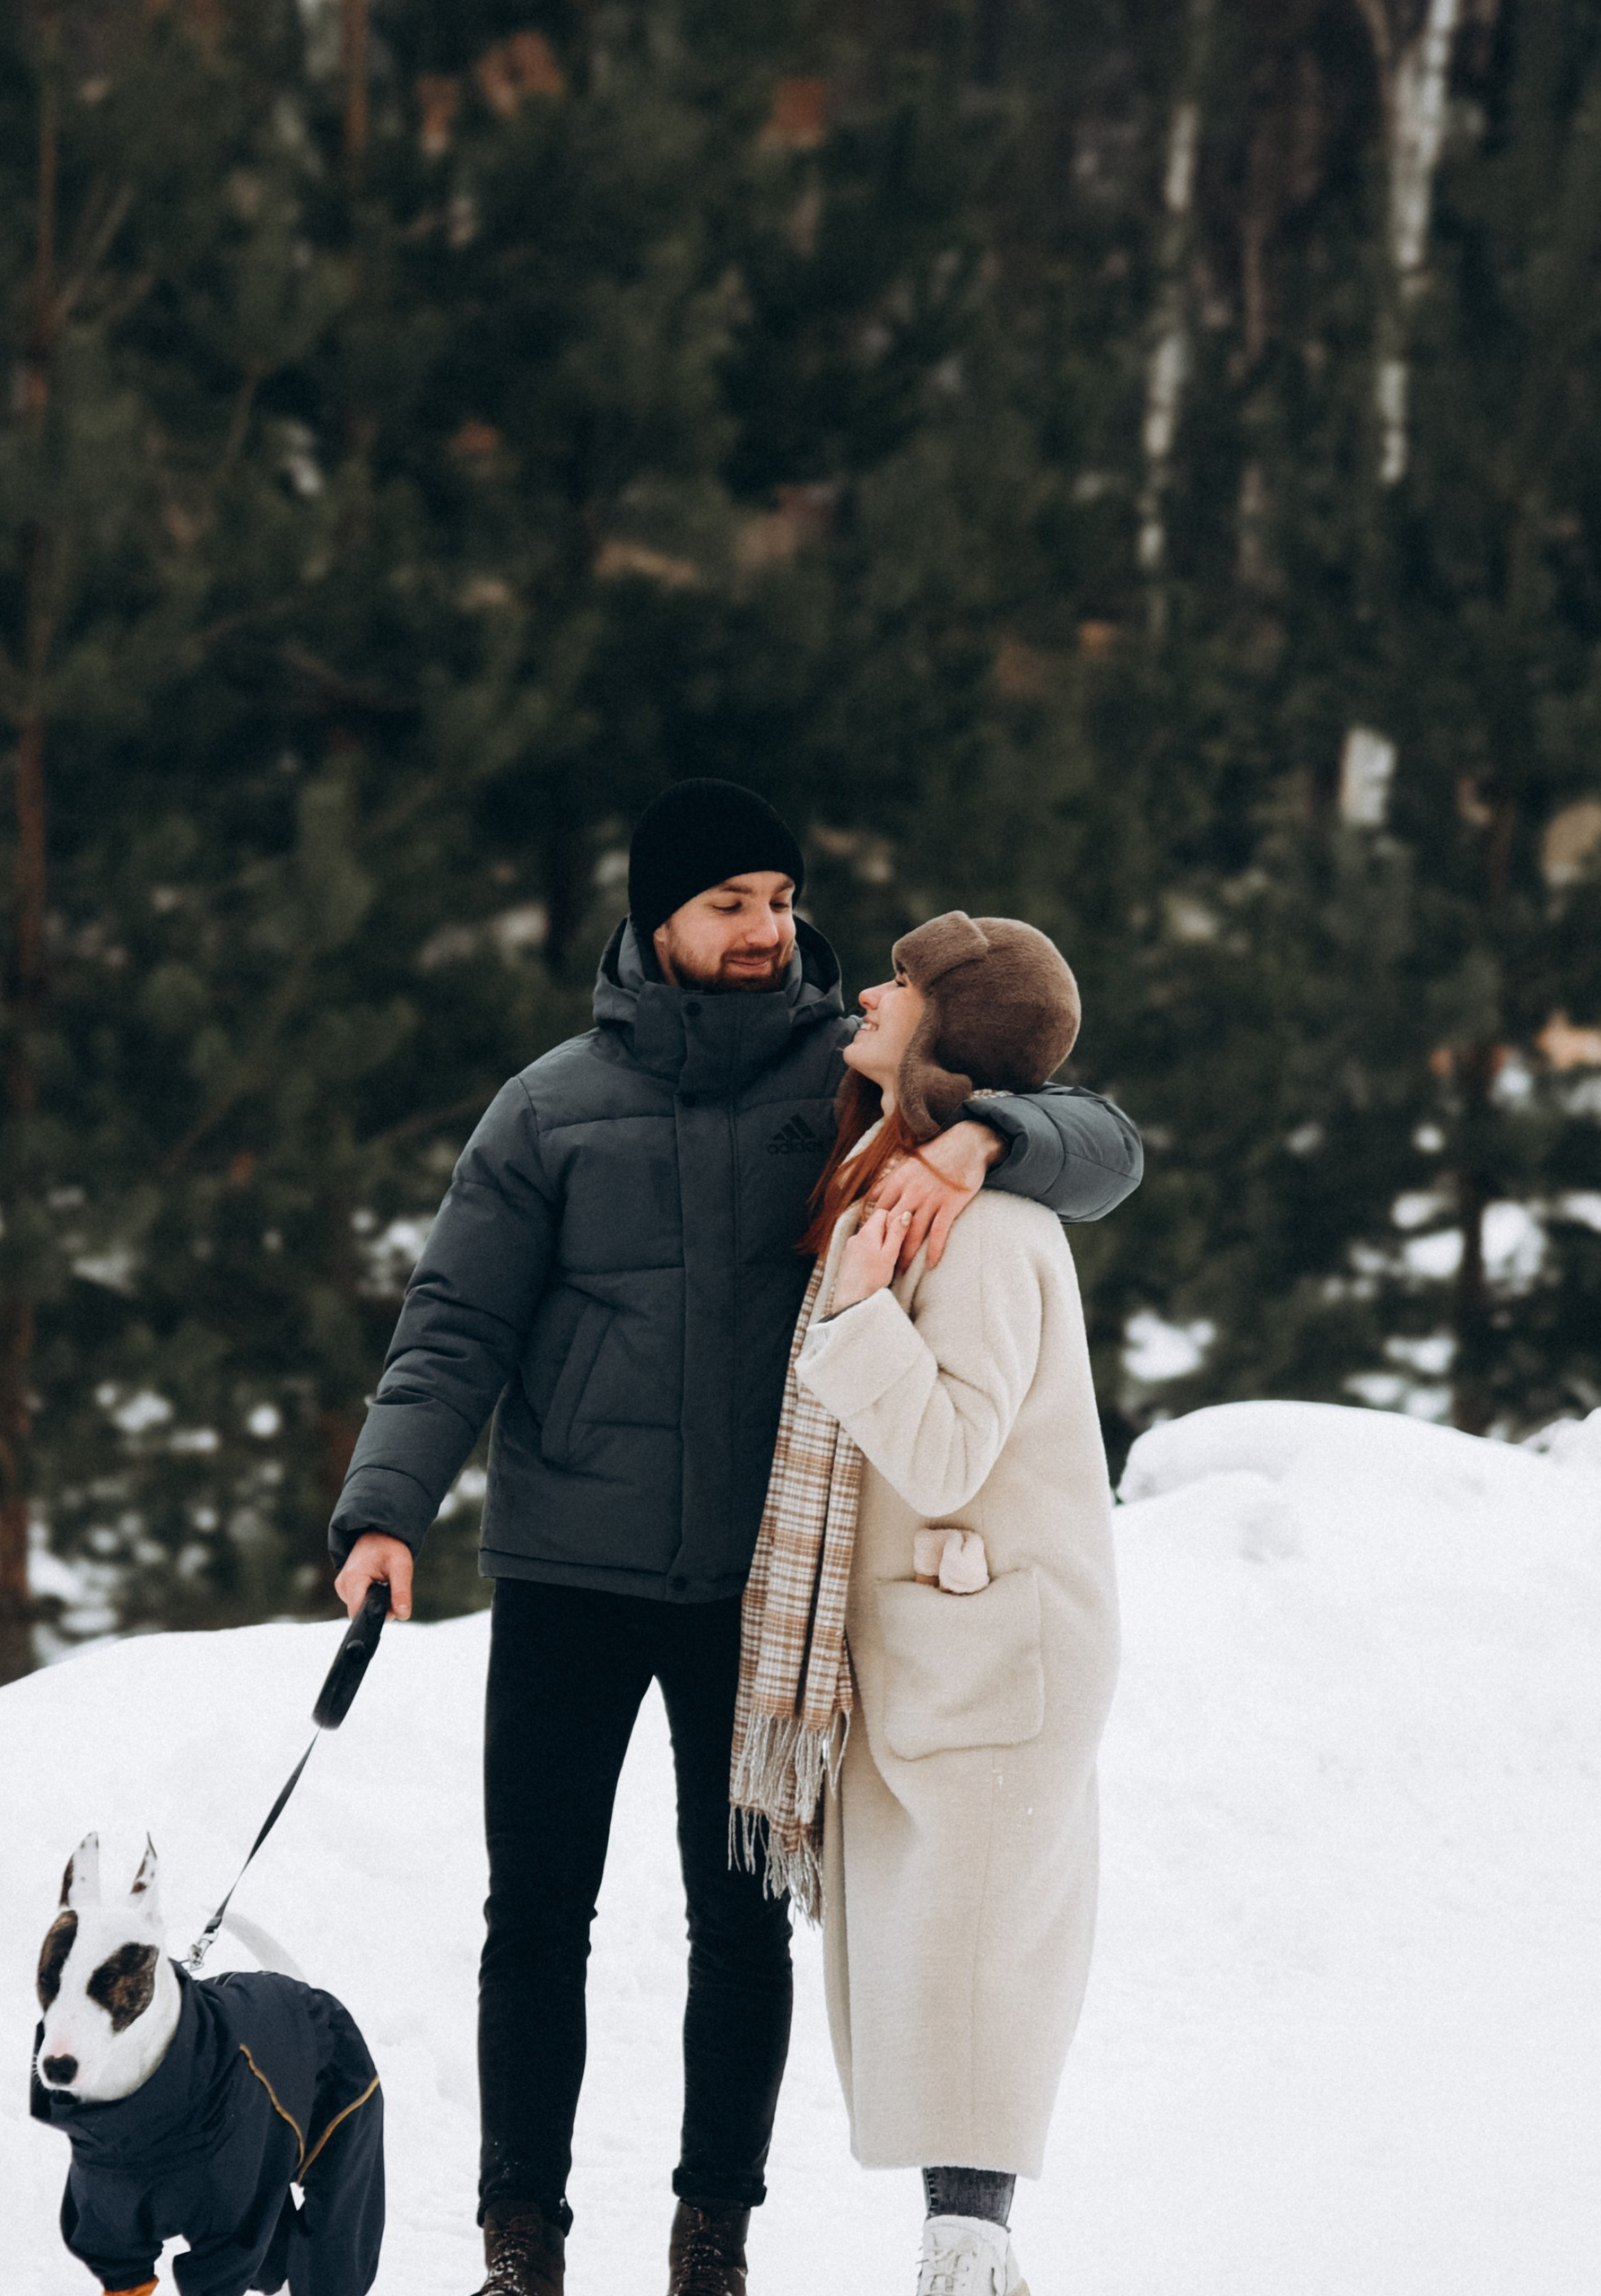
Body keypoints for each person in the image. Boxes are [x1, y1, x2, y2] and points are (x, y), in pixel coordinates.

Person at [326, 780, 1142, 2296]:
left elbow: (1099, 1137)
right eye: (732, 905)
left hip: (756, 1591)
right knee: (537, 1917)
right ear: (658, 921)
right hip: (570, 1567)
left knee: (741, 1922)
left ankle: (716, 2239)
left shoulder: (844, 1075)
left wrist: (991, 1142)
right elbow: (454, 1325)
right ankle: (523, 2242)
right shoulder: (551, 1106)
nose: (771, 931)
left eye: (781, 899)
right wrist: (386, 1508)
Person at [728, 912, 1121, 2296]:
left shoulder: (994, 1228)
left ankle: (973, 2257)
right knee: (933, 1962)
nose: (873, 992)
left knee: (969, 1969)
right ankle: (962, 2249)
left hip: (993, 1648)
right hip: (934, 1635)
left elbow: (951, 1450)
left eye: (904, 984)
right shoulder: (885, 1172)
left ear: (948, 1033)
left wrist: (851, 1317)